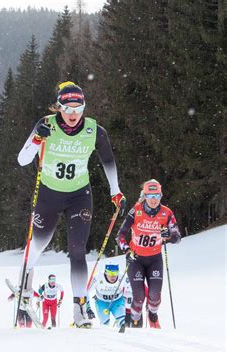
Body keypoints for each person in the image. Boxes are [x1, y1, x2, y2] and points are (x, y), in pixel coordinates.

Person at [17, 81, 126, 328]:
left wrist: (115, 190)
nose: (74, 114)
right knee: (38, 244)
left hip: (79, 195)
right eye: (68, 109)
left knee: (77, 250)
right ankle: (25, 291)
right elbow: (23, 160)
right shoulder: (46, 124)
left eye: (79, 109)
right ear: (59, 108)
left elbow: (108, 160)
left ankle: (80, 308)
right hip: (49, 194)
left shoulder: (95, 131)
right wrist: (36, 139)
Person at [116, 179, 181, 328]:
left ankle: (152, 315)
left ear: (161, 196)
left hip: (154, 259)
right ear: (145, 196)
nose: (154, 200)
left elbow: (177, 238)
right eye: (150, 196)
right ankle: (135, 317)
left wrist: (169, 234)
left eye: (157, 196)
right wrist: (126, 251)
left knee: (154, 296)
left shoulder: (166, 213)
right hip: (136, 259)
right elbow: (120, 235)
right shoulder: (136, 211)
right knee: (138, 298)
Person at [89, 263, 127, 331]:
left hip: (117, 301)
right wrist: (87, 308)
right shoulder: (98, 277)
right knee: (105, 324)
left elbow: (131, 289)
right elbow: (85, 291)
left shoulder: (123, 277)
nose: (113, 277)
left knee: (121, 320)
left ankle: (122, 336)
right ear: (105, 272)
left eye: (115, 273)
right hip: (102, 302)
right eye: (110, 273)